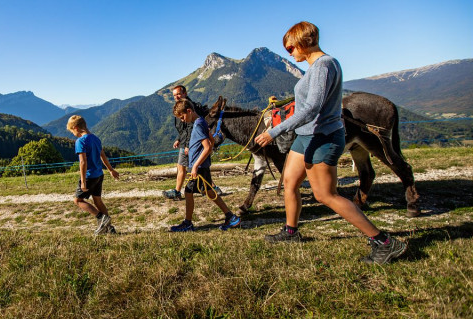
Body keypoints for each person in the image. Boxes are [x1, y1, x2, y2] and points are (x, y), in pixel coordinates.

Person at [253, 21, 407, 264]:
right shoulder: (314, 68)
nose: (290, 53)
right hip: (305, 136)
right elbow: (305, 107)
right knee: (290, 183)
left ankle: (384, 242)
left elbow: (312, 108)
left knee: (325, 195)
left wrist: (274, 131)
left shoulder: (324, 66)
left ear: (303, 42)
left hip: (322, 137)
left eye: (290, 48)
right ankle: (291, 232)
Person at [169, 99, 241, 232]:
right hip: (202, 165)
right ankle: (231, 217)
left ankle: (188, 223)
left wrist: (195, 165)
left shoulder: (197, 124)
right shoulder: (201, 121)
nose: (183, 120)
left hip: (199, 166)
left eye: (182, 117)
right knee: (208, 191)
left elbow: (207, 147)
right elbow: (211, 140)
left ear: (189, 111)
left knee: (189, 192)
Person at [163, 85, 221, 200]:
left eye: (178, 94)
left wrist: (187, 145)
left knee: (185, 168)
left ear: (185, 93)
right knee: (190, 168)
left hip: (188, 144)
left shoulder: (187, 109)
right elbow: (183, 128)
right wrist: (179, 139)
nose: (176, 97)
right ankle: (211, 188)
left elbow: (190, 128)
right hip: (185, 141)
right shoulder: (182, 107)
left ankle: (179, 192)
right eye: (174, 95)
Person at [67, 115, 119, 234]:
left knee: (78, 200)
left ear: (75, 128)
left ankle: (102, 218)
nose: (72, 133)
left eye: (71, 131)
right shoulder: (95, 138)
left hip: (89, 176)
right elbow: (103, 155)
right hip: (99, 175)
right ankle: (109, 228)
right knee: (97, 201)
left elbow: (83, 162)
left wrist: (83, 181)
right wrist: (111, 170)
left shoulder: (80, 141)